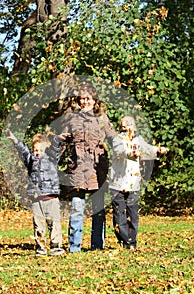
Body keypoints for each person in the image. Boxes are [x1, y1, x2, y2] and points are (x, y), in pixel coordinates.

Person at [59, 82, 116, 252]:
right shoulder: (71, 118)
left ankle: (97, 246)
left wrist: (128, 151)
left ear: (95, 100)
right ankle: (74, 246)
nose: (85, 102)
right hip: (76, 169)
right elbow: (62, 141)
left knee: (98, 209)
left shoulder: (101, 118)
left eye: (88, 98)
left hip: (97, 170)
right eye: (82, 99)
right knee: (76, 207)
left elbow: (114, 139)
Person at [109, 115, 169, 250]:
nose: (126, 127)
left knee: (133, 215)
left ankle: (131, 242)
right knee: (119, 216)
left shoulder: (138, 139)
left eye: (129, 124)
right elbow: (121, 152)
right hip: (118, 183)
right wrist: (131, 154)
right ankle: (124, 242)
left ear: (134, 126)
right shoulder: (118, 139)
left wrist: (158, 151)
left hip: (133, 183)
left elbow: (147, 149)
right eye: (123, 125)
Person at [6, 128, 69, 256]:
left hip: (51, 197)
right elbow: (23, 151)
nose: (38, 153)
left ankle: (56, 247)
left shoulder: (51, 159)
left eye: (41, 150)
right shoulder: (31, 161)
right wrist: (15, 140)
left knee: (54, 223)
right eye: (35, 150)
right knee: (38, 225)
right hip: (37, 198)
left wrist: (57, 139)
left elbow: (56, 150)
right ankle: (41, 248)